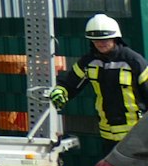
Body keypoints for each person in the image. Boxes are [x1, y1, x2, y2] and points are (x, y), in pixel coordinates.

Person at [49, 14, 148, 153]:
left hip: (136, 134)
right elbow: (70, 83)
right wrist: (60, 91)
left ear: (115, 38)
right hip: (107, 134)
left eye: (105, 39)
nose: (101, 43)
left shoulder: (134, 61)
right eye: (96, 40)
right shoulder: (89, 62)